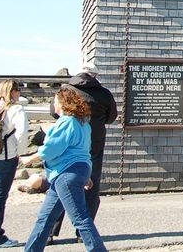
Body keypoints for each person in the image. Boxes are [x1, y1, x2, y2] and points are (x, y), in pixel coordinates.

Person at [21, 87, 107, 252]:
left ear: (62, 103)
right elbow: (84, 151)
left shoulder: (66, 122)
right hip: (74, 172)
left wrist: (30, 159)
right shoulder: (83, 123)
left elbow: (51, 149)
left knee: (80, 218)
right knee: (45, 217)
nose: (53, 104)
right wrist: (86, 176)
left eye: (54, 101)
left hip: (65, 173)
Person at [50, 64, 118, 243]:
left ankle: (50, 231)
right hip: (94, 144)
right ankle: (83, 232)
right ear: (95, 75)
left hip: (69, 143)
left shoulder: (66, 90)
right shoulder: (103, 93)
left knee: (61, 185)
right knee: (91, 186)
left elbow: (54, 112)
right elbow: (111, 117)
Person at [0, 79, 28, 248]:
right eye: (18, 90)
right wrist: (20, 152)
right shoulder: (15, 109)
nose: (19, 93)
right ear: (12, 92)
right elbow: (22, 133)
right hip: (5, 157)